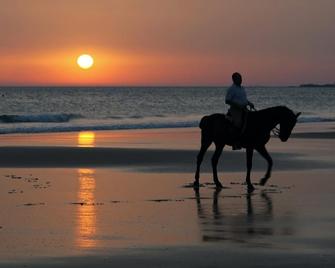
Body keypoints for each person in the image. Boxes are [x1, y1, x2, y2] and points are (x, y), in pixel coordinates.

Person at [225, 72, 254, 149]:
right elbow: (227, 100)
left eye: (241, 78)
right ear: (234, 79)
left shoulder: (242, 88)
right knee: (238, 123)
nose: (241, 80)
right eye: (239, 78)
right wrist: (238, 105)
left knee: (252, 120)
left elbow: (243, 99)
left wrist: (249, 103)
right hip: (235, 110)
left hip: (244, 108)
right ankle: (235, 142)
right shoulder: (231, 89)